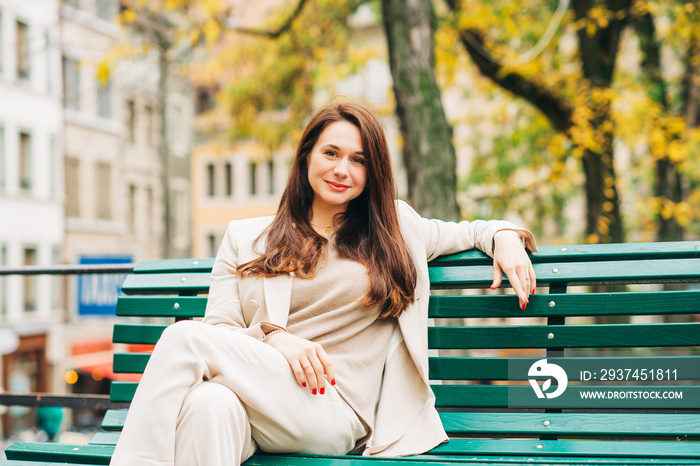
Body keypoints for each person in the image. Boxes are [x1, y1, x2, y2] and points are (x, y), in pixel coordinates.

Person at [110, 101, 537, 466]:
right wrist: (274, 338)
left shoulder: (396, 228)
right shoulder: (246, 238)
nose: (341, 169)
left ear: (372, 172)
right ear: (307, 156)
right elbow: (220, 331)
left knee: (183, 338)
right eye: (331, 153)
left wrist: (504, 237)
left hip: (334, 405)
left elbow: (473, 230)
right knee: (209, 405)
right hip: (259, 403)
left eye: (358, 159)